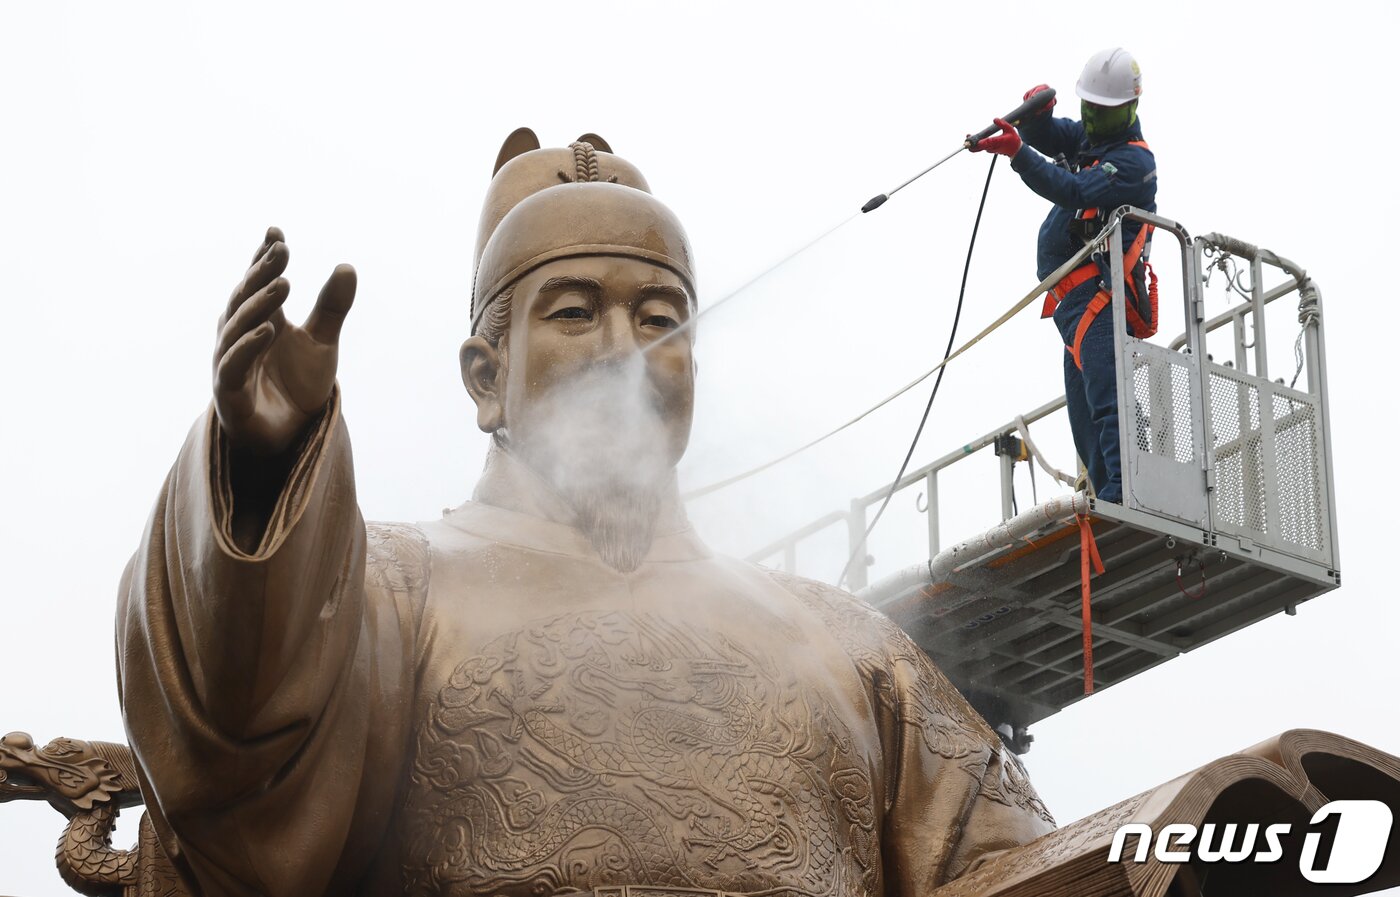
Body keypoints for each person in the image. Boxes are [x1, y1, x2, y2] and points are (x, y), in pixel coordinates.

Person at [115, 131, 1055, 897]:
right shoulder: (391, 591)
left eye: (660, 320)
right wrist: (267, 469)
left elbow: (1024, 867)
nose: (623, 352)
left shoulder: (851, 648)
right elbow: (237, 751)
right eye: (573, 313)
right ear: (487, 377)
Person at [972, 48, 1158, 504]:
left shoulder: (1132, 164)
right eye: (1087, 109)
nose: (1090, 120)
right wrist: (1037, 117)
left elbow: (1072, 188)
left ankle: (1128, 492)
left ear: (1128, 109)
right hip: (1073, 307)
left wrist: (1019, 153)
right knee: (1084, 414)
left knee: (1108, 400)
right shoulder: (1092, 141)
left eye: (1101, 112)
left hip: (1101, 299)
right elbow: (1052, 136)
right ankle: (1108, 494)